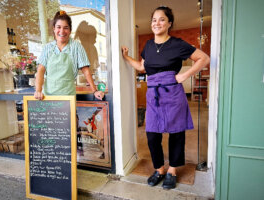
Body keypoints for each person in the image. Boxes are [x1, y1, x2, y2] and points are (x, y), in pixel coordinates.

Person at [121, 6, 210, 189]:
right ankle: (160, 169)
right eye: (154, 20)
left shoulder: (178, 44)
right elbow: (141, 67)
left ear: (169, 23)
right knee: (152, 134)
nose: (157, 23)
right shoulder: (148, 46)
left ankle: (172, 170)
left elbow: (203, 58)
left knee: (176, 133)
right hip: (153, 94)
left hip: (173, 94)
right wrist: (126, 57)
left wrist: (185, 76)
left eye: (162, 19)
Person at [34, 10, 104, 100]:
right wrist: (38, 90)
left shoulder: (76, 47)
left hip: (68, 98)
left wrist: (95, 90)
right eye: (58, 27)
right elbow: (41, 70)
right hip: (48, 98)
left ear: (70, 30)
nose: (62, 31)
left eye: (66, 28)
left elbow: (86, 71)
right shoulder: (47, 48)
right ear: (54, 29)